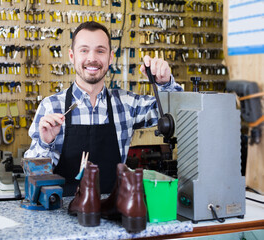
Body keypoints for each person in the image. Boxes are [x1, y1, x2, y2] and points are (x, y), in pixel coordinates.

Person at [24, 21, 183, 196]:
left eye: (100, 51)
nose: (92, 58)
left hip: (113, 213)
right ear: (72, 56)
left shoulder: (126, 104)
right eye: (84, 50)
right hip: (62, 213)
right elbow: (32, 175)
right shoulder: (51, 106)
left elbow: (177, 114)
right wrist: (45, 143)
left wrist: (165, 83)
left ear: (110, 57)